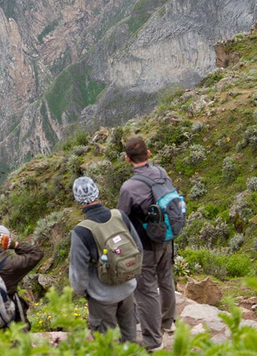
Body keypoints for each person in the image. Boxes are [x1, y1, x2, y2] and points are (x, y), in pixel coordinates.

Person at [117, 136, 176, 352]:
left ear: (127, 159)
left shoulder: (129, 187)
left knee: (146, 291)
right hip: (167, 238)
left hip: (145, 245)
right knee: (167, 279)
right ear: (148, 153)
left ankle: (153, 341)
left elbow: (121, 218)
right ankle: (168, 323)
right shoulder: (161, 173)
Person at [69, 177, 142, 343]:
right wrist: (131, 273)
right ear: (97, 192)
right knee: (130, 340)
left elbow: (78, 274)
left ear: (78, 199)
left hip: (102, 297)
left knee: (106, 345)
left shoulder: (81, 231)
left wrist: (85, 293)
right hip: (128, 289)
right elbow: (139, 248)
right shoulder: (120, 216)